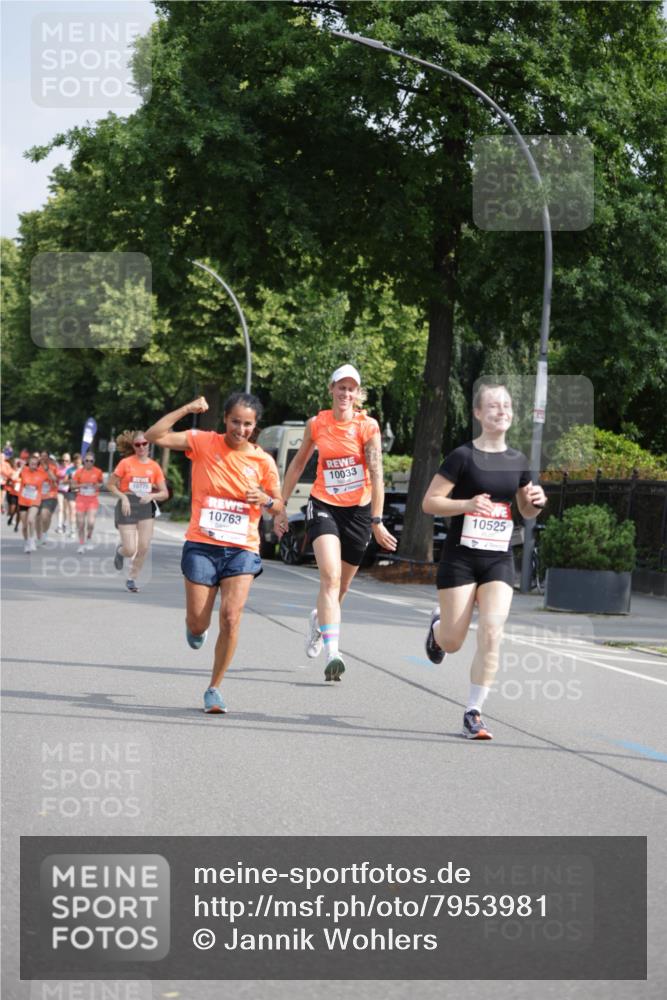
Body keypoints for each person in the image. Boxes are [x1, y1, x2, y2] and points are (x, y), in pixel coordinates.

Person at [421, 383, 547, 740]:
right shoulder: (461, 457)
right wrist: (466, 504)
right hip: (460, 558)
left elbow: (524, 509)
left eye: (507, 405)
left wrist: (536, 500)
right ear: (478, 413)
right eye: (493, 406)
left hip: (498, 560)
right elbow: (429, 503)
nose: (501, 411)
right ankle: (436, 629)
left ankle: (473, 713)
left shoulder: (520, 461)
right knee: (453, 641)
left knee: (492, 631)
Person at [145, 392, 283, 714]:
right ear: (225, 420)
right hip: (202, 545)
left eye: (247, 424)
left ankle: (214, 689)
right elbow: (154, 436)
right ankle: (197, 629)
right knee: (197, 624)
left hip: (241, 548)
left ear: (255, 425)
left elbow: (278, 506)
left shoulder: (263, 460)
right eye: (235, 421)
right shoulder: (203, 442)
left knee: (231, 617)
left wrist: (264, 499)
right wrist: (188, 408)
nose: (241, 429)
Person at [275, 364, 397, 682]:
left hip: (358, 511)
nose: (345, 393)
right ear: (331, 389)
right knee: (329, 578)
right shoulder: (317, 424)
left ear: (357, 395)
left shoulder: (367, 427)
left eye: (351, 389)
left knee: (341, 588)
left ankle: (319, 622)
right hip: (323, 504)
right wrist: (280, 506)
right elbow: (298, 463)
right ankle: (334, 653)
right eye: (340, 387)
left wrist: (377, 521)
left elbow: (376, 474)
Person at [107, 432, 169, 592]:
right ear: (133, 446)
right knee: (130, 549)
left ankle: (131, 579)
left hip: (145, 506)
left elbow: (165, 493)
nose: (141, 447)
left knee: (143, 546)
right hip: (127, 505)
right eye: (138, 444)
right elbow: (110, 484)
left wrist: (152, 495)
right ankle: (120, 552)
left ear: (149, 444)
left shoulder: (154, 467)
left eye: (144, 444)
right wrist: (124, 497)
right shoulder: (125, 463)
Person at [18, 453, 56, 552]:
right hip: (23, 501)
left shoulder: (41, 473)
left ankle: (31, 541)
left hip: (35, 501)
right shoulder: (24, 471)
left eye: (35, 464)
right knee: (25, 526)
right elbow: (14, 476)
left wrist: (46, 469)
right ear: (28, 464)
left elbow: (54, 479)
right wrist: (19, 468)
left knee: (31, 520)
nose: (33, 466)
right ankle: (27, 542)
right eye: (31, 464)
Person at [72, 452, 104, 553]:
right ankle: (81, 544)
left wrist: (97, 486)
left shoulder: (98, 471)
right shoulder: (79, 472)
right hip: (81, 498)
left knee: (90, 522)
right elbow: (72, 486)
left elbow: (101, 483)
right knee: (81, 523)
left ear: (94, 461)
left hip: (92, 499)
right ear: (83, 461)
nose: (89, 463)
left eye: (91, 461)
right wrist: (82, 485)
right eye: (87, 460)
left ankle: (89, 538)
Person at [37, 451, 59, 545]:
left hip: (51, 495)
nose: (42, 458)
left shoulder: (53, 467)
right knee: (37, 518)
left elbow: (55, 479)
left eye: (45, 456)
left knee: (45, 515)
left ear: (48, 458)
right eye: (41, 456)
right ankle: (39, 537)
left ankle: (44, 532)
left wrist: (47, 470)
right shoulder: (35, 468)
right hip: (37, 495)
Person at [55, 452, 72, 534]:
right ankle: (59, 526)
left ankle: (64, 523)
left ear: (69, 461)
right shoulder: (58, 468)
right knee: (60, 508)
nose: (65, 462)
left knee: (66, 510)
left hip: (68, 491)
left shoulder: (72, 468)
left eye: (67, 460)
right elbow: (55, 478)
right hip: (60, 490)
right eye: (63, 460)